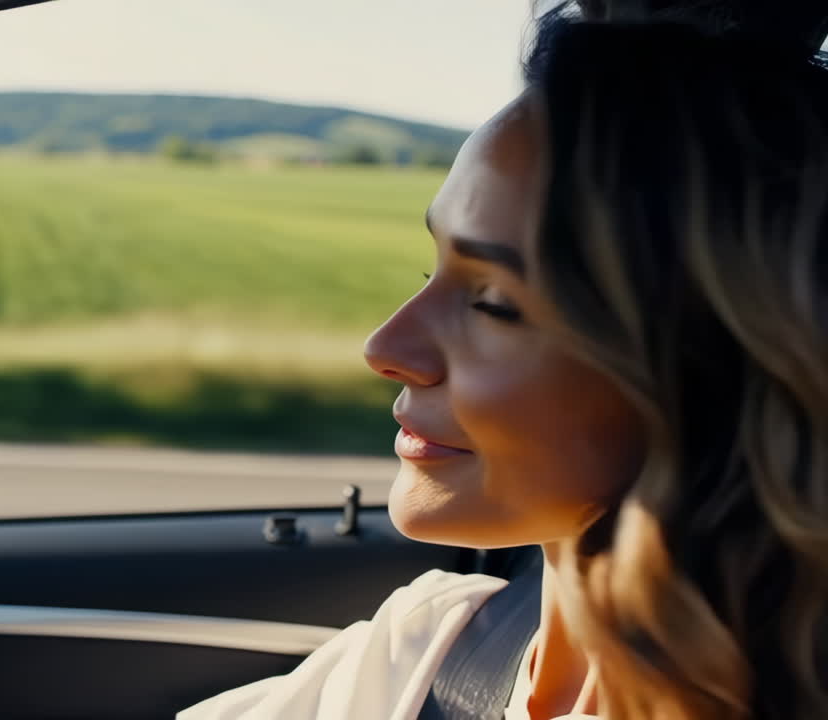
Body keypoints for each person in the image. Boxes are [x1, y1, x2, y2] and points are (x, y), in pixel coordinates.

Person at [179, 6, 828, 720]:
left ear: (716, 365)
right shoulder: (425, 650)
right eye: (431, 274)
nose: (386, 349)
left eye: (491, 301)